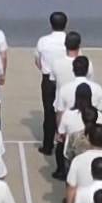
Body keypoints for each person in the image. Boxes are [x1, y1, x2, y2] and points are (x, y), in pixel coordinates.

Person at [34, 12, 70, 154]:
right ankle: (65, 143)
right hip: (66, 79)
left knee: (49, 113)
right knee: (66, 111)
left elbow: (38, 61)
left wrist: (45, 69)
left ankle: (47, 146)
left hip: (48, 79)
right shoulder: (70, 40)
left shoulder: (43, 41)